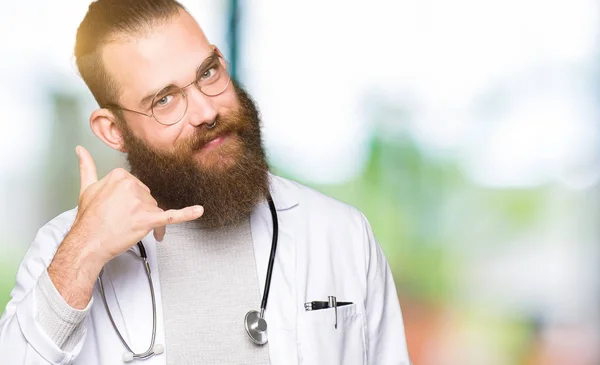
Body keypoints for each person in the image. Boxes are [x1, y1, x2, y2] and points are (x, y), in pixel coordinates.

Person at [0, 1, 411, 364]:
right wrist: (83, 254)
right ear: (114, 131)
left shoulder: (341, 234)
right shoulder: (62, 252)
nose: (206, 110)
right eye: (164, 99)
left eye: (208, 72)